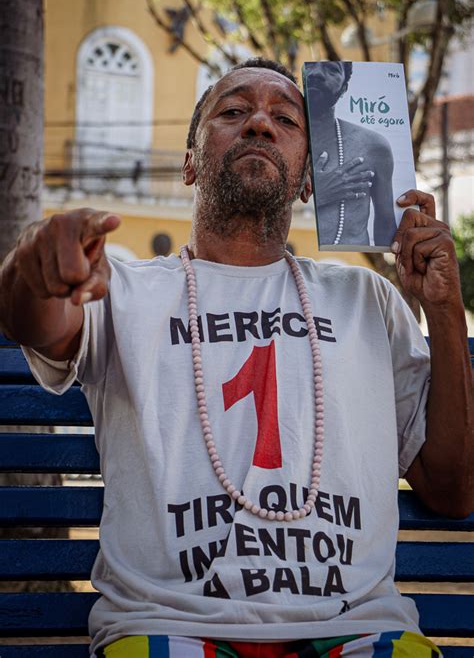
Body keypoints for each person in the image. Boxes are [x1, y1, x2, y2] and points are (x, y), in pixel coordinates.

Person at [0, 57, 472, 658]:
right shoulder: (120, 286)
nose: (258, 123)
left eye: (285, 117)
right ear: (192, 162)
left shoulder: (366, 297)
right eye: (233, 111)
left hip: (355, 629)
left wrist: (446, 310)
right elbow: (34, 317)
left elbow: (455, 490)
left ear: (309, 178)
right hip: (164, 626)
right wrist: (33, 265)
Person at [305, 61, 397, 247]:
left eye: (332, 69)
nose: (317, 73)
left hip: (354, 265)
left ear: (344, 87)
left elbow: (386, 226)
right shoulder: (275, 140)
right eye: (310, 65)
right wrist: (318, 194)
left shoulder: (373, 146)